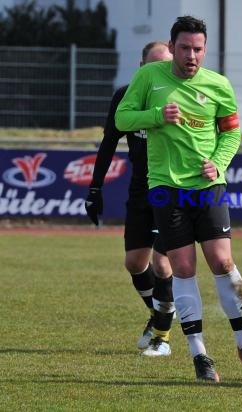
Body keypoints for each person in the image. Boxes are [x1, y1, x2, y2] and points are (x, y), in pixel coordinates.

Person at [115, 15, 242, 383]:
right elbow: (121, 119)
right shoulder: (148, 78)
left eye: (198, 49)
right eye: (184, 48)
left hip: (208, 187)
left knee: (222, 259)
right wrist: (155, 116)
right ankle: (200, 355)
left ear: (205, 49)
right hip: (166, 188)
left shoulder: (218, 84)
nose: (191, 55)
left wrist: (218, 163)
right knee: (183, 268)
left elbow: (232, 133)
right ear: (172, 48)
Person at [85, 41, 175, 357]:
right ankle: (160, 313)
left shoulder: (181, 97)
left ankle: (162, 337)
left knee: (163, 264)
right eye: (153, 65)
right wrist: (95, 189)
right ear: (141, 68)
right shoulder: (125, 97)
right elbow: (109, 142)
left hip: (172, 190)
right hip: (140, 191)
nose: (159, 71)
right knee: (135, 264)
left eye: (165, 65)